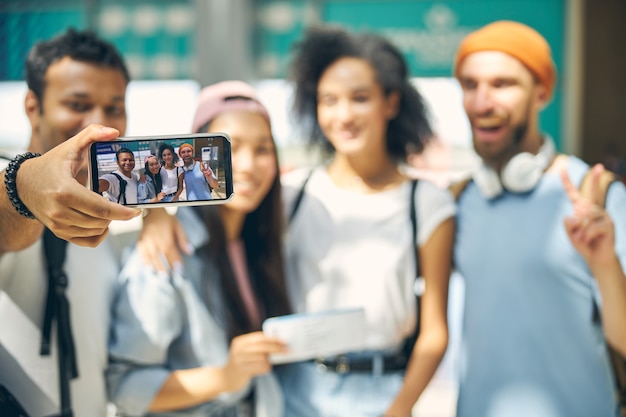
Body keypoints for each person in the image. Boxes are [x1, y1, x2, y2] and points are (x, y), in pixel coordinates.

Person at [273, 25, 455, 417]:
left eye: (360, 98)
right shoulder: (291, 194)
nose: (344, 115)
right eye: (328, 100)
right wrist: (158, 220)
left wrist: (400, 408)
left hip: (384, 391)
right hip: (298, 390)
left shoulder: (426, 201)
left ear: (390, 103)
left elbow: (435, 331)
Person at [451, 20, 626, 417]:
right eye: (470, 84)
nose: (481, 102)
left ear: (542, 93)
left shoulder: (599, 197)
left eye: (502, 84)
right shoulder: (461, 200)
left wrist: (605, 264)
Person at [107, 80, 292, 416]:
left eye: (263, 149)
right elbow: (126, 387)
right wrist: (225, 376)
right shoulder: (165, 254)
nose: (249, 164)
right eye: (231, 148)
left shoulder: (260, 241)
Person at [0, 28, 140, 416]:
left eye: (114, 107)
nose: (97, 123)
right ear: (33, 106)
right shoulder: (6, 179)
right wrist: (23, 187)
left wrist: (160, 219)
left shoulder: (124, 215)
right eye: (78, 103)